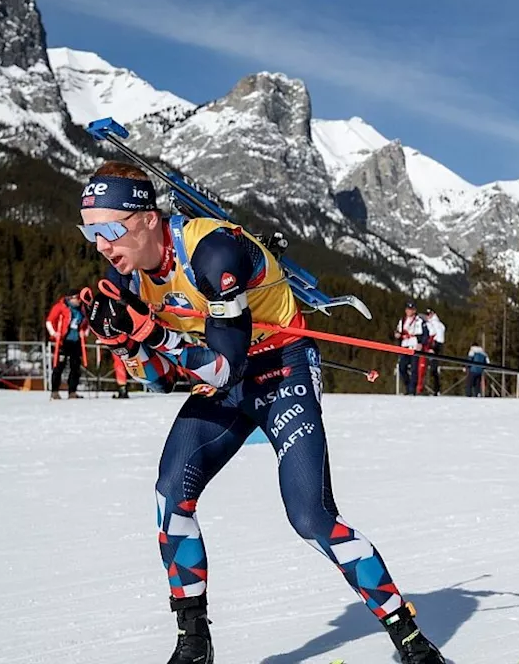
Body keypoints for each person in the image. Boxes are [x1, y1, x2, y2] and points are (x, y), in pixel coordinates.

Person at [75, 162, 445, 663]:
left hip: (279, 368)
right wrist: (125, 344)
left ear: (145, 219)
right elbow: (160, 381)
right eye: (89, 231)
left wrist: (153, 335)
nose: (100, 244)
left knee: (311, 516)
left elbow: (227, 368)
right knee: (170, 497)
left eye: (109, 229)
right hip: (223, 375)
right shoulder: (128, 276)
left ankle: (410, 640)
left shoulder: (212, 251)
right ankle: (194, 645)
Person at [45, 289, 89, 399]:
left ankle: (72, 391)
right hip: (63, 341)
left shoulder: (81, 309)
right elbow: (49, 320)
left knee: (75, 367)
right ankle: (55, 391)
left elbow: (86, 322)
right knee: (59, 366)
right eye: (77, 298)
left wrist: (85, 332)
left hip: (76, 341)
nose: (79, 300)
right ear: (70, 298)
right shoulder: (61, 306)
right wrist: (54, 333)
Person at [393, 301, 427, 396]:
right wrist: (397, 335)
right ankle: (408, 386)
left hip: (414, 345)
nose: (409, 311)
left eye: (411, 309)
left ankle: (412, 390)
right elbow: (398, 331)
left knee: (414, 368)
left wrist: (421, 343)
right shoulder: (402, 320)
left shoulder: (419, 321)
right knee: (402, 367)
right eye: (408, 309)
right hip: (404, 345)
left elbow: (424, 334)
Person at [421, 308, 446, 395]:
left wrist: (432, 347)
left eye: (429, 314)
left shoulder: (434, 323)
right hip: (435, 345)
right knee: (432, 369)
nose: (428, 316)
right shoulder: (437, 323)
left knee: (432, 369)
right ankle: (435, 389)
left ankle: (435, 389)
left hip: (434, 346)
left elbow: (435, 335)